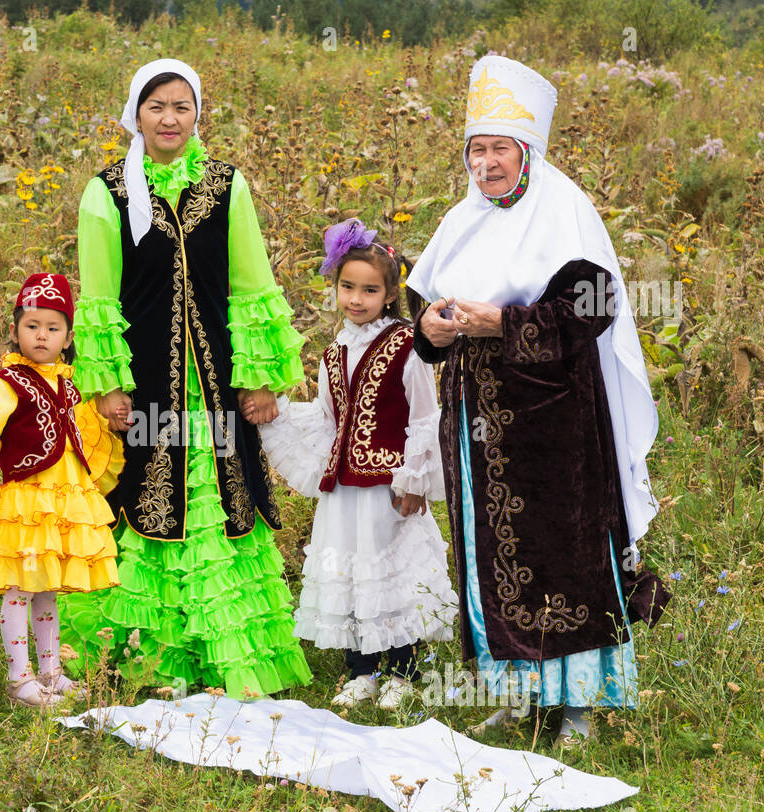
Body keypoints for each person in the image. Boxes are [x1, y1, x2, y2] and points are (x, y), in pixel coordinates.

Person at [406, 56, 669, 744]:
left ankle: (578, 703)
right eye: (477, 149)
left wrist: (504, 323)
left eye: (499, 149)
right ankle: (516, 691)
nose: (486, 164)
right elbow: (424, 312)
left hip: (554, 424)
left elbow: (592, 308)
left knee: (563, 559)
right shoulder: (462, 219)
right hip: (476, 422)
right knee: (487, 552)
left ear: (527, 151)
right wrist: (431, 329)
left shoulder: (565, 213)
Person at [59, 58, 312, 700]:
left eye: (182, 107)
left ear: (198, 113)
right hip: (145, 386)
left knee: (224, 505)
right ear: (135, 116)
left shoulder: (228, 185)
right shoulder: (107, 192)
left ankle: (227, 659)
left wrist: (259, 378)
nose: (169, 119)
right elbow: (98, 299)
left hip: (219, 382)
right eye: (156, 107)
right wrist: (107, 383)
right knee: (145, 497)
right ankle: (148, 661)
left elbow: (253, 284)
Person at [260, 219, 457, 711]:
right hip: (345, 489)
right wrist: (276, 415)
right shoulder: (334, 352)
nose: (356, 298)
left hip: (388, 487)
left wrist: (413, 479)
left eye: (370, 289)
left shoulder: (407, 345)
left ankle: (405, 669)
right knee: (349, 573)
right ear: (336, 287)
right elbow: (329, 418)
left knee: (394, 575)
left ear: (390, 294)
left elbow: (426, 416)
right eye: (347, 286)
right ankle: (362, 669)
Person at [0, 273, 124, 707]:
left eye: (53, 328)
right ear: (15, 330)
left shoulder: (72, 384)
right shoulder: (6, 382)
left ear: (68, 337)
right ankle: (19, 678)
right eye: (32, 326)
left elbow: (85, 432)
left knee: (48, 588)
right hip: (27, 503)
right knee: (20, 588)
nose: (42, 335)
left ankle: (50, 671)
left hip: (62, 503)